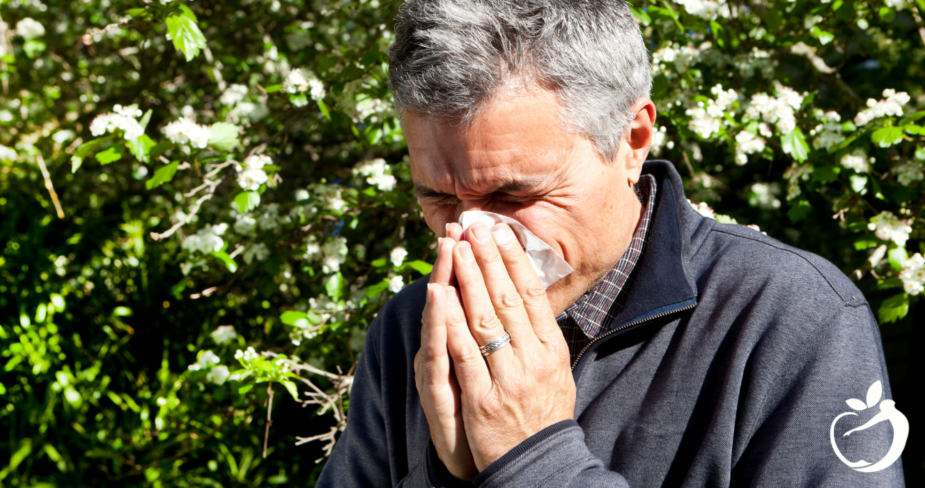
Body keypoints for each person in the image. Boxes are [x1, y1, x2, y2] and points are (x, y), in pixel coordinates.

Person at [317, 0, 905, 486]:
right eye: (439, 199)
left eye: (513, 195)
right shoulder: (412, 328)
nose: (470, 235)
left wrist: (535, 461)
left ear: (632, 140)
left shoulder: (791, 318)